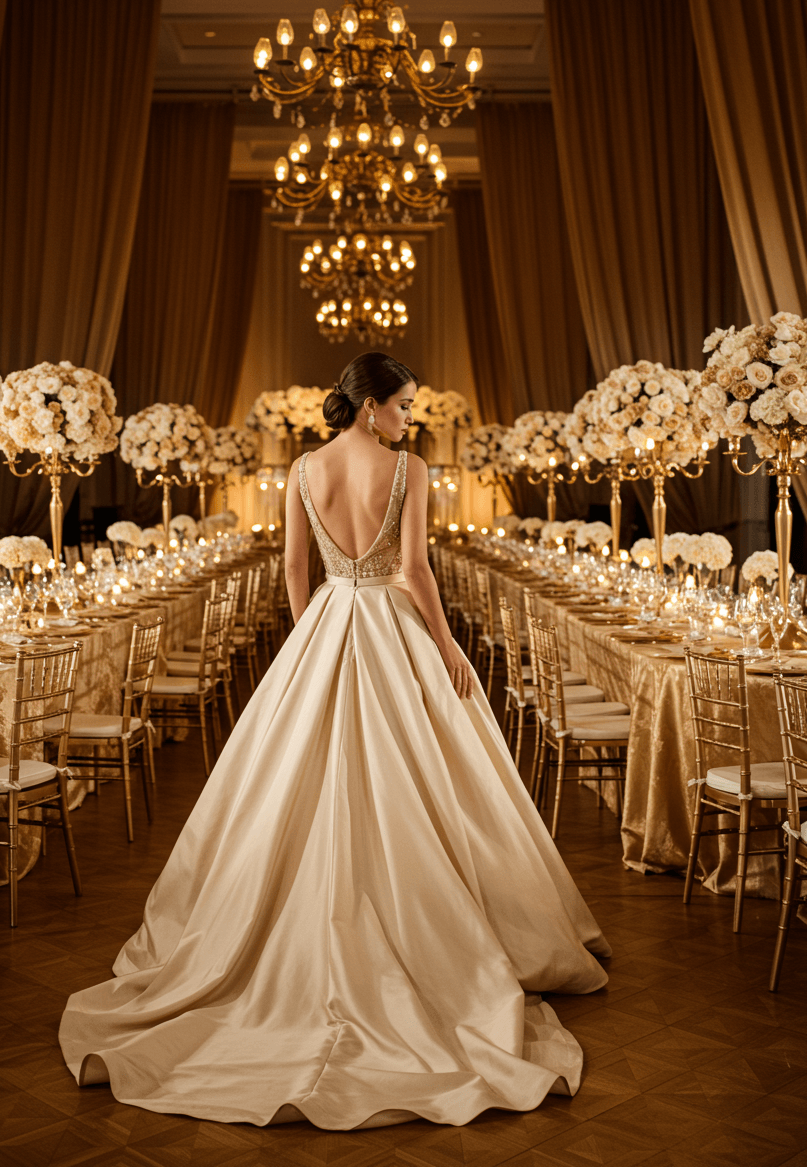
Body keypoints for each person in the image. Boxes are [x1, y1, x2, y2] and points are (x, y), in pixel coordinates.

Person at [59, 352, 611, 1130]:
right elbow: (416, 568)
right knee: (432, 779)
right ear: (372, 405)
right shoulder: (408, 468)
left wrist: (308, 638)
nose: (411, 418)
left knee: (293, 785)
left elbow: (294, 566)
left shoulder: (304, 469)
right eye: (404, 405)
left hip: (327, 621)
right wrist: (448, 646)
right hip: (393, 622)